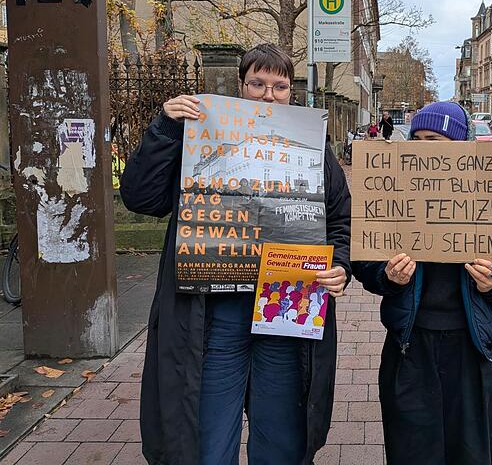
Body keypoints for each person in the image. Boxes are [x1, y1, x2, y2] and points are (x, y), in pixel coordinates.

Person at [120, 43, 351, 465]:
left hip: (286, 312)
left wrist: (340, 267)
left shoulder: (313, 145)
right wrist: (166, 130)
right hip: (215, 318)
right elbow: (140, 196)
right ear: (241, 87)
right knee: (207, 439)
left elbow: (339, 221)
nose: (268, 95)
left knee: (281, 438)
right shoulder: (199, 136)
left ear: (291, 93)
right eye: (258, 84)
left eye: (279, 86)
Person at [351, 101, 492, 465]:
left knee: (470, 452)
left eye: (436, 140)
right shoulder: (391, 197)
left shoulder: (491, 198)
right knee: (411, 450)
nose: (427, 149)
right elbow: (365, 262)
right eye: (419, 139)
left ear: (460, 149)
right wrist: (387, 276)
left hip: (472, 350)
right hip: (410, 347)